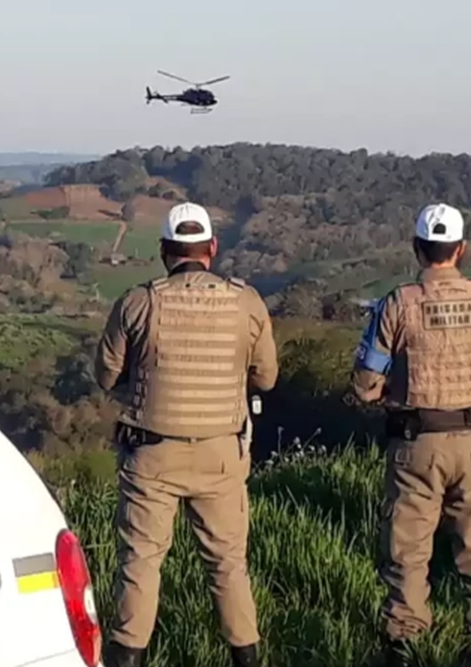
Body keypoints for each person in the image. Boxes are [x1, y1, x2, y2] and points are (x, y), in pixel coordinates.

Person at [95, 201, 279, 667]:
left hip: (151, 457)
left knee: (141, 563)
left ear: (163, 251)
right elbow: (267, 377)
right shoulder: (247, 301)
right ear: (212, 249)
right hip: (222, 454)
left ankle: (128, 658)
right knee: (228, 565)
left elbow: (105, 375)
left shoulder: (139, 301)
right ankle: (246, 657)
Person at [349, 203, 471, 667]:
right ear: (461, 249)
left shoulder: (397, 303)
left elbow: (366, 382)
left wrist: (385, 392)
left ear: (417, 248)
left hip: (416, 443)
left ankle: (403, 643)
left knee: (407, 548)